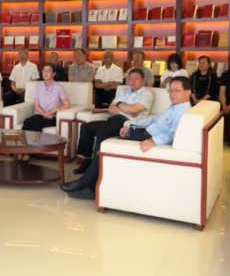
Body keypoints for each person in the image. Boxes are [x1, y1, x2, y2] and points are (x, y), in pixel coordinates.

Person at [61, 76, 193, 200]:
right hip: (142, 132)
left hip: (148, 138)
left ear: (188, 92)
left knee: (104, 148)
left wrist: (154, 141)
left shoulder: (183, 112)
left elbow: (174, 133)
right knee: (103, 141)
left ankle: (85, 185)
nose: (172, 94)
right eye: (170, 90)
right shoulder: (174, 108)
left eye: (176, 91)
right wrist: (130, 125)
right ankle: (90, 184)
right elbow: (154, 119)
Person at [74, 69, 153, 174]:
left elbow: (134, 111)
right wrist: (128, 109)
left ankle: (96, 167)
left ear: (143, 80)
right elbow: (111, 108)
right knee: (86, 127)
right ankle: (87, 161)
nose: (133, 81)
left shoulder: (146, 94)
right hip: (113, 119)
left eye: (136, 79)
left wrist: (119, 105)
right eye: (131, 79)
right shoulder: (123, 91)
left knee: (102, 131)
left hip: (126, 123)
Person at [22, 63, 72, 133]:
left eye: (48, 71)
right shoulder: (38, 86)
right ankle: (23, 140)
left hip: (52, 117)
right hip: (40, 114)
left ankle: (37, 140)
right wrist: (44, 114)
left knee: (37, 124)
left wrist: (52, 111)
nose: (45, 73)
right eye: (44, 70)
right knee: (27, 122)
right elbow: (36, 106)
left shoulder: (59, 87)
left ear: (54, 74)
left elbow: (67, 105)